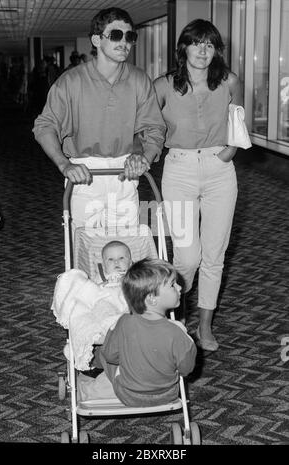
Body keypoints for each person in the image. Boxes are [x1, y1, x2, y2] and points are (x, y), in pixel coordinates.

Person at [153, 19, 243, 351]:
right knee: (188, 257)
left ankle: (204, 326)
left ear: (216, 50)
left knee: (215, 255)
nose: (202, 51)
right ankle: (173, 311)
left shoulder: (230, 81)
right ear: (184, 48)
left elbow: (238, 120)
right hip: (179, 168)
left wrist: (230, 150)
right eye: (196, 43)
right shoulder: (163, 85)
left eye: (209, 44)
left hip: (220, 170)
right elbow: (147, 125)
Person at [33, 7, 165, 231]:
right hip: (85, 173)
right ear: (96, 40)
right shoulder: (71, 81)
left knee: (125, 248)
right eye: (115, 35)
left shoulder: (139, 80)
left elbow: (154, 128)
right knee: (86, 247)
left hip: (125, 171)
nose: (124, 42)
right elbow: (45, 126)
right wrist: (64, 165)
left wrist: (144, 157)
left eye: (129, 36)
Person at [78, 258, 197, 406]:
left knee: (105, 349)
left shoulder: (123, 323)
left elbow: (110, 356)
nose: (179, 288)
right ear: (152, 299)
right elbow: (186, 369)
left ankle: (89, 382)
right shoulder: (178, 332)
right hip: (168, 395)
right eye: (173, 285)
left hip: (128, 394)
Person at [52, 240, 132, 370]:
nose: (116, 262)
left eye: (121, 258)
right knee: (99, 306)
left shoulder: (134, 275)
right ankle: (83, 342)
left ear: (130, 261)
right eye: (110, 259)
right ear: (103, 264)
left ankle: (116, 327)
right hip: (105, 301)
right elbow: (91, 293)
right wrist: (100, 287)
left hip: (125, 303)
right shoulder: (99, 276)